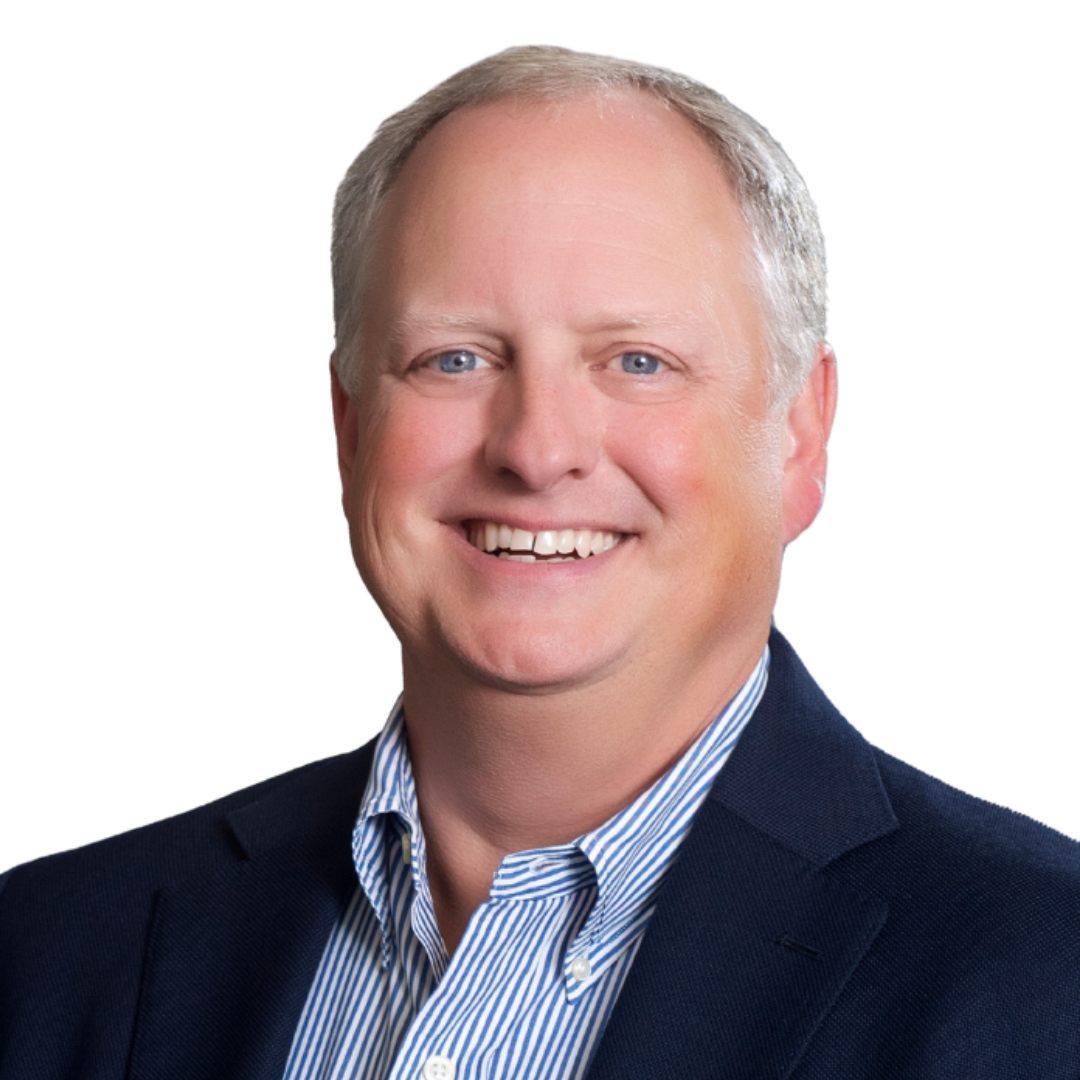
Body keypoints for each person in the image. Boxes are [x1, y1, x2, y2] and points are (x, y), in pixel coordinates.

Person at [2, 45, 1078, 1080]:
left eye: (638, 361)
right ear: (348, 426)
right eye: (455, 359)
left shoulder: (1043, 980)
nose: (536, 448)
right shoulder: (45, 956)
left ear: (799, 434)